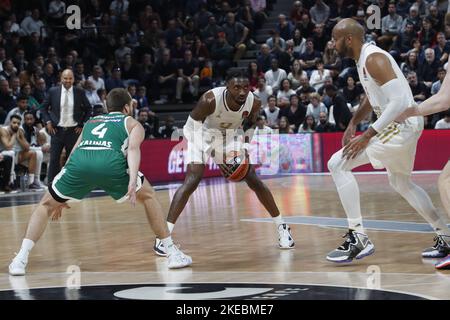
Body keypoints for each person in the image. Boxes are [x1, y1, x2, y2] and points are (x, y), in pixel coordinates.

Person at [8, 88, 192, 276]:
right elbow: (134, 150)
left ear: (106, 106)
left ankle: (20, 260)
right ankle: (171, 253)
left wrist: (60, 194)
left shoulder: (91, 121)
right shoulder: (132, 123)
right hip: (110, 164)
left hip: (80, 163)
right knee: (149, 195)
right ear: (127, 108)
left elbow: (73, 152)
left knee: (45, 205)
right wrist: (132, 180)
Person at [326, 18, 450, 263]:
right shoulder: (363, 61)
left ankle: (358, 237)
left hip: (400, 125)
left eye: (335, 38)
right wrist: (353, 123)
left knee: (337, 163)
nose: (332, 43)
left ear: (348, 39)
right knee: (401, 182)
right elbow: (372, 97)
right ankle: (444, 235)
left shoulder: (374, 58)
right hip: (402, 126)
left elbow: (397, 103)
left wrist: (368, 135)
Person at [153, 71, 295, 257]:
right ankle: (163, 239)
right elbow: (190, 128)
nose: (242, 92)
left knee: (252, 178)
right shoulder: (210, 99)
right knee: (192, 180)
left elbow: (250, 125)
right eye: (237, 87)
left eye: (245, 87)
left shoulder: (255, 102)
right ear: (227, 87)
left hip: (230, 136)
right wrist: (215, 153)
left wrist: (243, 146)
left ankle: (282, 227)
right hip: (200, 134)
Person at [41, 69, 92, 185]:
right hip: (57, 130)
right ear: (61, 79)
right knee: (54, 159)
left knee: (73, 160)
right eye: (65, 78)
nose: (67, 80)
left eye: (70, 78)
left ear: (73, 79)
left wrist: (82, 124)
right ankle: (52, 184)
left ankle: (72, 183)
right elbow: (43, 108)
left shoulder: (79, 92)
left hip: (73, 131)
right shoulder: (53, 91)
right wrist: (48, 121)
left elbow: (89, 108)